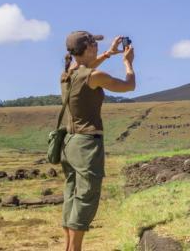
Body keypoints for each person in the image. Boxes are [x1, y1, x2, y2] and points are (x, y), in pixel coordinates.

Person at [60, 31, 136, 251]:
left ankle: (67, 247)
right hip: (86, 146)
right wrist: (128, 63)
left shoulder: (67, 73)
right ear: (89, 48)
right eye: (95, 45)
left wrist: (109, 53)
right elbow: (128, 86)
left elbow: (85, 66)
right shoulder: (95, 76)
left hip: (69, 144)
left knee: (71, 196)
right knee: (85, 198)